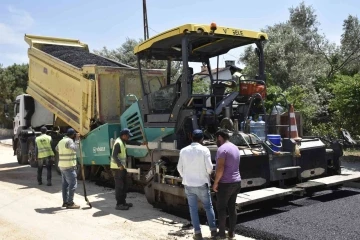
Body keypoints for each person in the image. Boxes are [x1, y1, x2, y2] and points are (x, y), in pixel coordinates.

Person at [177, 129, 217, 240]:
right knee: (208, 207)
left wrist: (185, 176)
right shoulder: (204, 150)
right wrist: (211, 174)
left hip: (189, 185)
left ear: (191, 137)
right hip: (202, 184)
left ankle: (198, 233)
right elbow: (209, 168)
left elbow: (179, 168)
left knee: (193, 209)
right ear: (202, 139)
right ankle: (213, 231)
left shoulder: (183, 150)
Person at [212, 129, 241, 239]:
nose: (216, 141)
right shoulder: (235, 147)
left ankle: (222, 234)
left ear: (220, 137)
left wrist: (215, 183)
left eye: (216, 138)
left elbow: (220, 168)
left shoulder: (222, 149)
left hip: (225, 183)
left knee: (221, 208)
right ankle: (232, 233)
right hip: (236, 182)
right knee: (232, 207)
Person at [111, 128, 146, 210]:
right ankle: (119, 204)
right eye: (128, 136)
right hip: (117, 168)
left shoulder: (122, 141)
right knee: (119, 187)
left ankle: (123, 202)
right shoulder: (118, 143)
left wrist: (141, 144)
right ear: (123, 135)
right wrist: (120, 165)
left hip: (121, 168)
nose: (128, 138)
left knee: (124, 185)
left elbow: (130, 142)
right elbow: (114, 156)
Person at [56, 128, 80, 209]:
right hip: (69, 166)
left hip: (62, 166)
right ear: (73, 135)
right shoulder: (69, 141)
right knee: (73, 184)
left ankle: (65, 202)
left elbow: (56, 149)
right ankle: (70, 203)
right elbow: (75, 148)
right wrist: (77, 140)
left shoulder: (61, 141)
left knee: (65, 185)